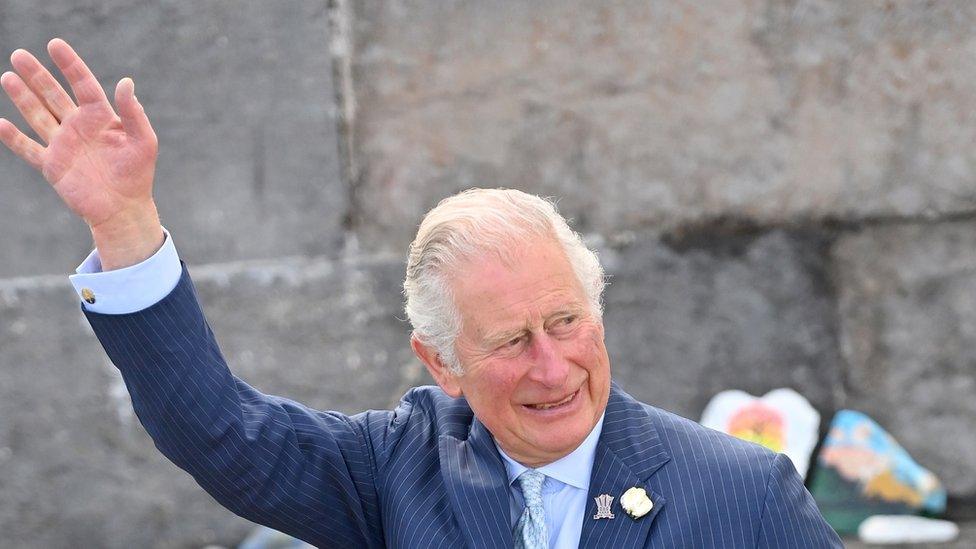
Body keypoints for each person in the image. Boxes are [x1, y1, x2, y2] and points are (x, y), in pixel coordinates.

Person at [0, 39, 842, 548]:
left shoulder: (744, 491)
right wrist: (125, 224)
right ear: (441, 362)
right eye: (511, 340)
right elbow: (217, 430)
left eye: (565, 322)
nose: (553, 365)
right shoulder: (397, 469)